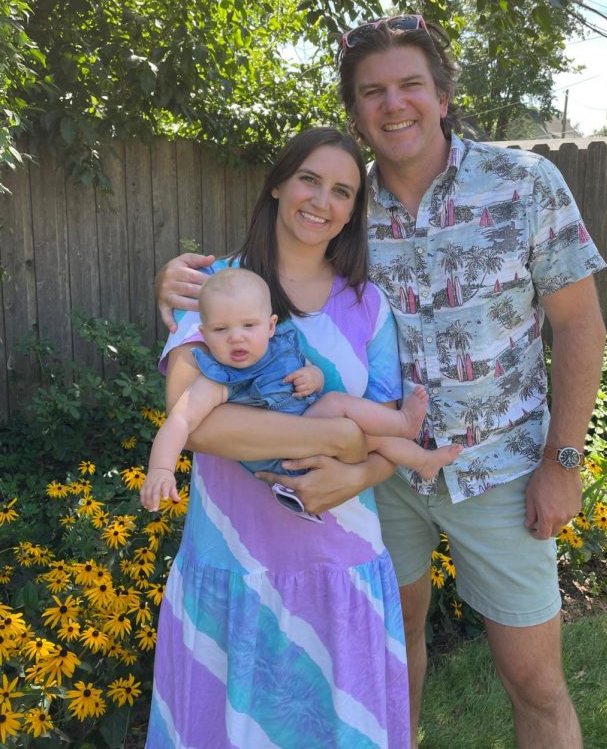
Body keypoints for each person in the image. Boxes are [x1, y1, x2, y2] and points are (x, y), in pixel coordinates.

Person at [156, 15, 607, 749]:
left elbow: (579, 325)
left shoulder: (523, 184)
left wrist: (562, 462)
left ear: (441, 93)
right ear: (355, 110)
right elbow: (260, 292)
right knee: (390, 661)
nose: (392, 104)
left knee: (536, 683)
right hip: (378, 488)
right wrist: (175, 285)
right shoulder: (344, 208)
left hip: (495, 470)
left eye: (409, 85)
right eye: (372, 92)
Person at [145, 127, 411, 748]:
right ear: (277, 185)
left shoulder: (369, 306)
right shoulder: (218, 289)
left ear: (354, 210)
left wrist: (360, 466)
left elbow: (387, 429)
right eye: (310, 181)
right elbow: (198, 424)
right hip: (233, 563)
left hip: (339, 566)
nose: (323, 201)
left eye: (342, 191)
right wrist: (339, 439)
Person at [141, 266, 461, 513]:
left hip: (314, 431)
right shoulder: (218, 378)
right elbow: (181, 421)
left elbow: (313, 372)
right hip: (285, 457)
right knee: (342, 409)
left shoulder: (280, 348)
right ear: (204, 334)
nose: (236, 338)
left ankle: (422, 461)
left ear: (270, 326)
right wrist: (160, 470)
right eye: (222, 330)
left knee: (370, 435)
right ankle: (405, 426)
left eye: (248, 326)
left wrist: (314, 376)